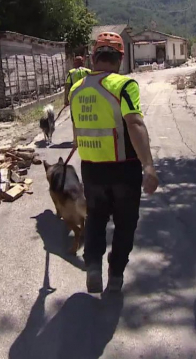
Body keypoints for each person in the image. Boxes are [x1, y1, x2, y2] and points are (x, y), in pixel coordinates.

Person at [69, 32, 159, 293]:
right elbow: (135, 123)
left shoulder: (77, 89)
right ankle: (116, 274)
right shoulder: (124, 85)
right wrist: (149, 166)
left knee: (96, 218)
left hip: (91, 169)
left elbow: (77, 131)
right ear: (120, 59)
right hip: (123, 168)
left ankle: (94, 265)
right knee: (125, 222)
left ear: (93, 58)